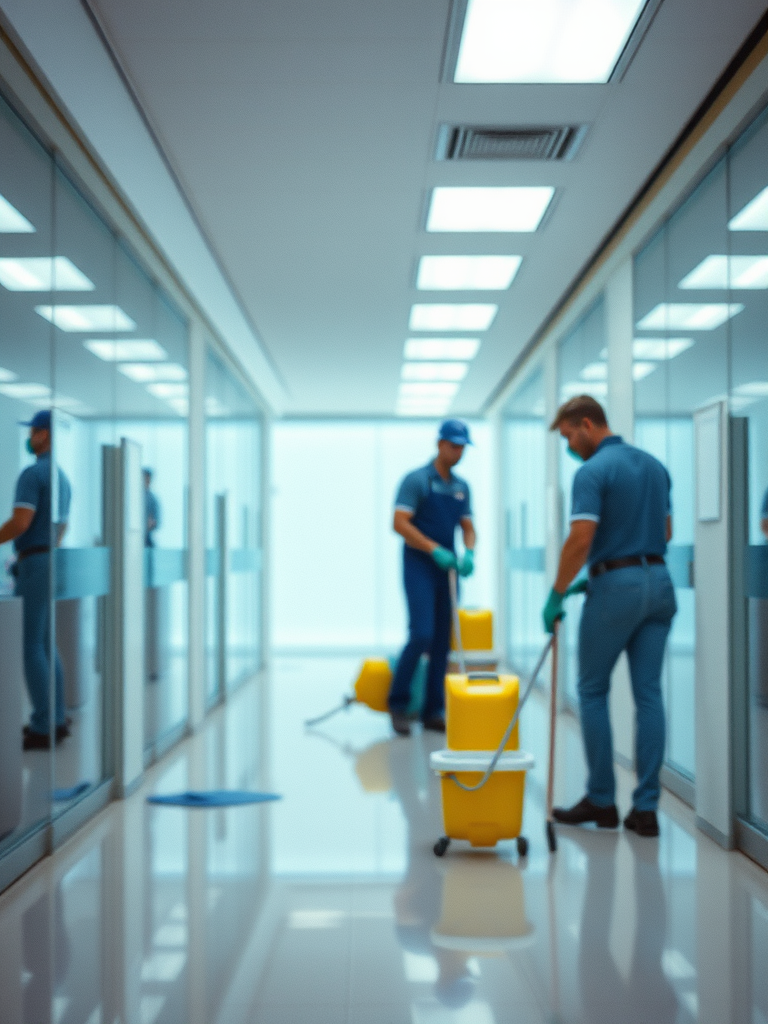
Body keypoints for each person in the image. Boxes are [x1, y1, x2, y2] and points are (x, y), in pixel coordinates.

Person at [542, 395, 676, 837]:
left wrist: (557, 593)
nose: (569, 447)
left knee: (591, 690)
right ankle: (646, 809)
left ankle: (601, 801)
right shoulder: (655, 466)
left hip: (616, 590)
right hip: (659, 584)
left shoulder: (592, 471)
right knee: (649, 694)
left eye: (568, 437)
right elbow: (666, 532)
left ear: (587, 424)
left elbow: (580, 539)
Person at [388, 420, 476, 737]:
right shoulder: (417, 480)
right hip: (419, 566)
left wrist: (470, 552)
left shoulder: (461, 487)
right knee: (421, 634)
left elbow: (468, 527)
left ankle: (433, 711)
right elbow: (399, 523)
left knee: (442, 641)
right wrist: (433, 548)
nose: (458, 452)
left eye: (462, 447)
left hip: (447, 570)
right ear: (439, 444)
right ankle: (398, 704)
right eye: (453, 446)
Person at [0, 410, 72, 750]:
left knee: (31, 645)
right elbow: (62, 527)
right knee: (45, 643)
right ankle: (57, 719)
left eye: (33, 432)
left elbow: (21, 522)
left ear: (44, 434)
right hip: (51, 559)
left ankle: (43, 726)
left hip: (35, 561)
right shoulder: (62, 478)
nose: (30, 438)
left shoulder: (33, 474)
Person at [143, 468, 160, 547]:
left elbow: (156, 521)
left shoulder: (152, 499)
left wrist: (152, 522)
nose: (147, 482)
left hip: (146, 539)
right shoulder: (133, 499)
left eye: (148, 479)